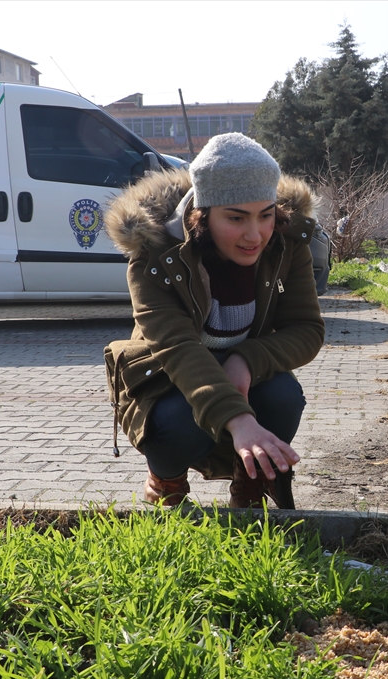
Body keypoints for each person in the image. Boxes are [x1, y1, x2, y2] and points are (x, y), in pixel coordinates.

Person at [105, 133, 324, 508]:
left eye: (265, 215)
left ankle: (249, 486)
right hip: (165, 379)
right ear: (202, 215)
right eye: (236, 218)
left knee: (283, 397)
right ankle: (166, 480)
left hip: (242, 369)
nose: (254, 235)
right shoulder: (155, 253)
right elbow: (178, 349)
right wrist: (239, 421)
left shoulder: (289, 242)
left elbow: (307, 329)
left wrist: (245, 361)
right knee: (179, 422)